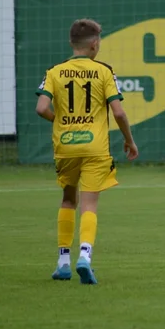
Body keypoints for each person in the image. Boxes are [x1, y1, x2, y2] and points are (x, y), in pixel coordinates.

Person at [35, 19, 138, 284]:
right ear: (94, 44)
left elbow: (41, 108)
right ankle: (85, 256)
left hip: (66, 145)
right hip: (95, 147)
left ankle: (62, 263)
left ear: (71, 43)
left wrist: (59, 121)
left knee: (69, 199)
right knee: (90, 204)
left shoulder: (55, 71)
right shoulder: (104, 71)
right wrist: (129, 140)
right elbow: (119, 112)